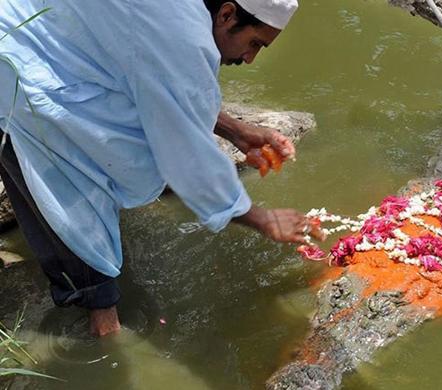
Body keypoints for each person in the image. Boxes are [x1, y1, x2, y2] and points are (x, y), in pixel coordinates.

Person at [0, 0, 323, 336]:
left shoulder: (175, 14)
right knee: (77, 181)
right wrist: (261, 219)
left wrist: (237, 130)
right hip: (22, 63)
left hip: (26, 37)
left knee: (28, 158)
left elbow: (157, 80)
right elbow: (186, 157)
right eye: (254, 43)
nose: (249, 57)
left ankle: (84, 291)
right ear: (227, 14)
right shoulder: (184, 33)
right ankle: (104, 327)